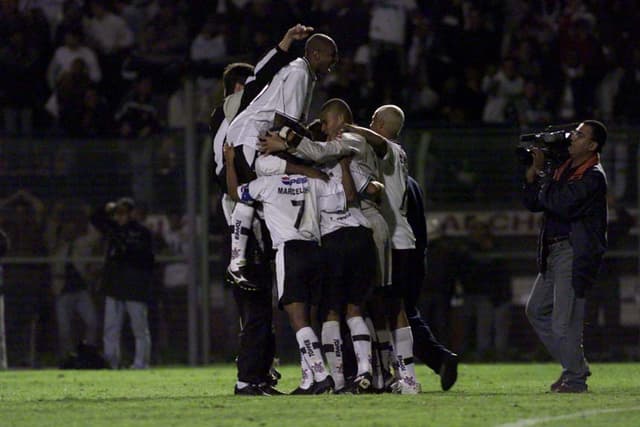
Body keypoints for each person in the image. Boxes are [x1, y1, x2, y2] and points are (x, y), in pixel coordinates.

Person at [210, 24, 315, 396]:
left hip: (257, 223)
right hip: (243, 224)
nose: (263, 91)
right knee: (254, 308)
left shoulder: (246, 127)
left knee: (262, 307)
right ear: (238, 91)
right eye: (252, 87)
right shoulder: (229, 129)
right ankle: (248, 379)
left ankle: (261, 374)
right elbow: (228, 184)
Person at [224, 31, 338, 289]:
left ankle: (251, 255)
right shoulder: (299, 72)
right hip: (252, 135)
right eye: (332, 54)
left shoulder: (305, 73)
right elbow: (284, 122)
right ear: (315, 53)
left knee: (259, 193)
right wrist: (308, 143)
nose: (336, 60)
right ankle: (238, 262)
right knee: (249, 193)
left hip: (255, 134)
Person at [224, 144, 335, 395]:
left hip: (290, 251)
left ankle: (320, 374)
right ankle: (310, 379)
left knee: (297, 321)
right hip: (316, 250)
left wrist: (230, 162)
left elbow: (233, 193)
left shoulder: (267, 184)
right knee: (311, 318)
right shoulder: (312, 180)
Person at [523, 120, 608, 393]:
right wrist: (535, 173)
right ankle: (575, 367)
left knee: (564, 323)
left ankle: (575, 378)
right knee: (536, 310)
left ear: (592, 146)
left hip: (573, 251)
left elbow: (561, 204)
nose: (572, 137)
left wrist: (544, 178)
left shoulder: (593, 175)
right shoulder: (564, 167)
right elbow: (534, 203)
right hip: (553, 250)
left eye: (580, 135)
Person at [90, 197, 155, 369]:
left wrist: (126, 249)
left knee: (139, 327)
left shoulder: (142, 232)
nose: (119, 217)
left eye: (123, 213)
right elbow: (95, 218)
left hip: (134, 284)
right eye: (117, 213)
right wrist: (107, 206)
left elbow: (146, 259)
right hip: (114, 284)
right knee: (111, 328)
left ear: (131, 213)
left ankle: (141, 363)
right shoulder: (113, 229)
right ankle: (112, 362)